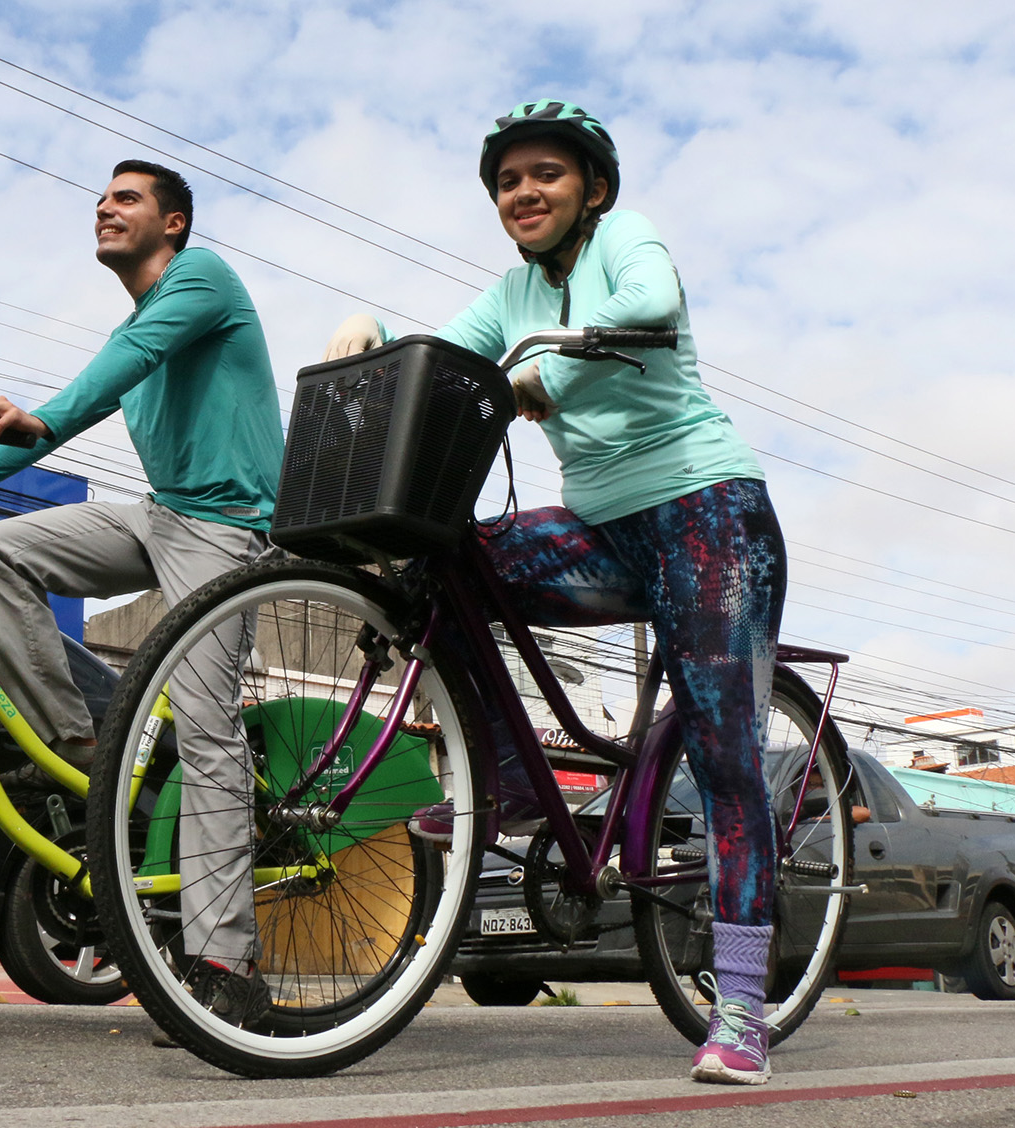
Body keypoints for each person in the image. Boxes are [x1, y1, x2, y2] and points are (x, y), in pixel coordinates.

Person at [323, 101, 787, 1085]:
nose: (524, 194)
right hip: (603, 534)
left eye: (546, 175)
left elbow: (653, 303)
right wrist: (373, 337)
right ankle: (508, 785)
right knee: (446, 563)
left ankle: (742, 1009)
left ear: (593, 189)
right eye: (508, 181)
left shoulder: (627, 240)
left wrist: (549, 367)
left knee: (724, 757)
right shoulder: (511, 289)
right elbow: (444, 358)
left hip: (707, 517)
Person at [0, 159, 284, 1024]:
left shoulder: (201, 282)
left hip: (226, 528)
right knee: (0, 552)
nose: (105, 208)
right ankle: (79, 746)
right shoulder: (141, 328)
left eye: (127, 198)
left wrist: (39, 415)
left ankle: (228, 967)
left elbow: (105, 377)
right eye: (102, 199)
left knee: (207, 730)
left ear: (174, 223)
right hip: (164, 516)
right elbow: (86, 397)